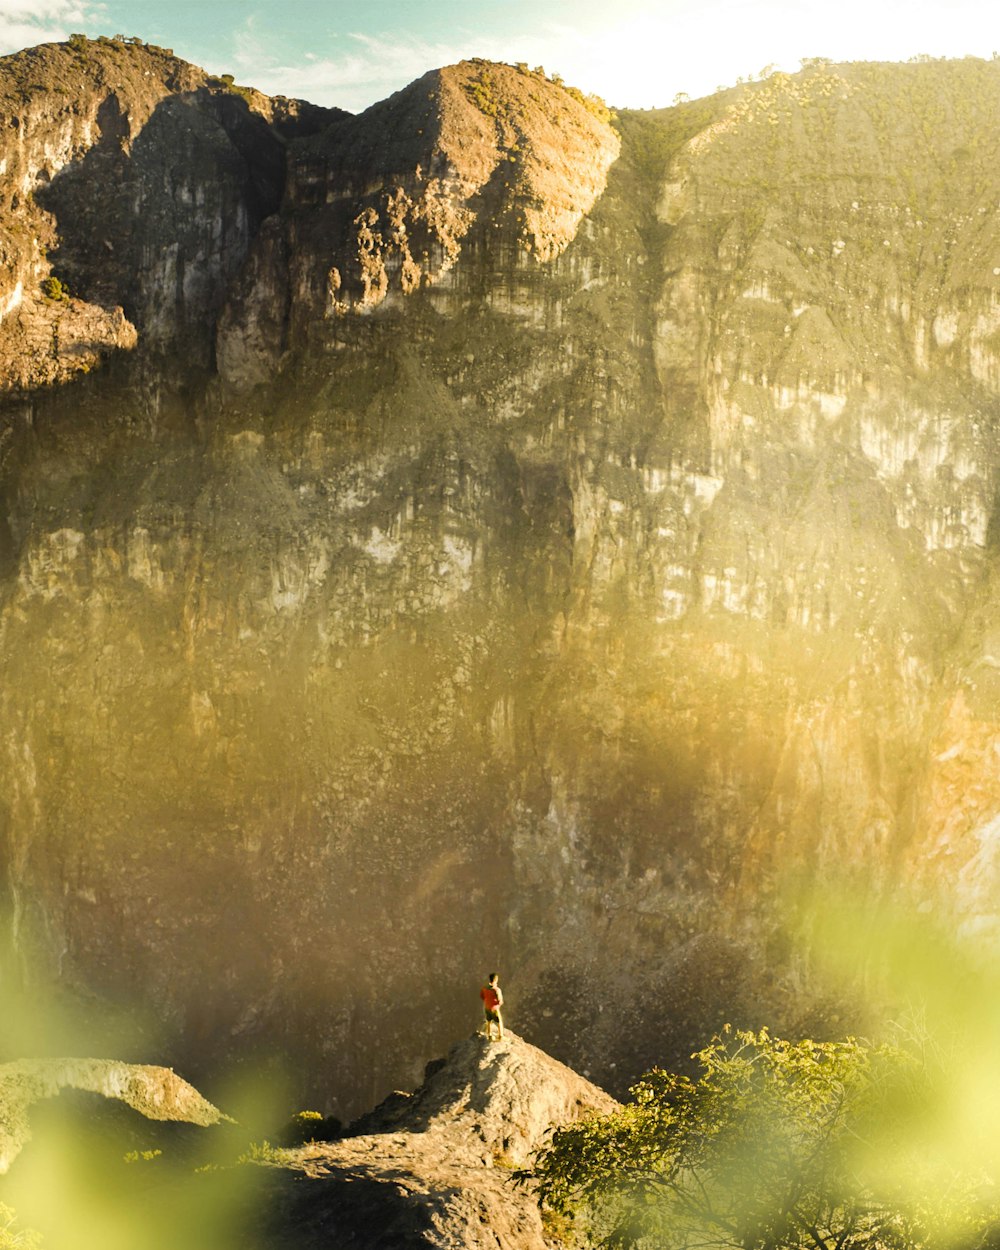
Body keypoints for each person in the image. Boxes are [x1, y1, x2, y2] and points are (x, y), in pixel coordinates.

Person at [480, 972, 504, 1041]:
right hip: (494, 1008)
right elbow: (500, 1000)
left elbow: (482, 996)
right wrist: (498, 1004)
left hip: (487, 1007)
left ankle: (489, 1035)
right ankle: (500, 1036)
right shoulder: (496, 990)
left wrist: (487, 1000)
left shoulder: (484, 989)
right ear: (496, 980)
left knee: (489, 1021)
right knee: (499, 1021)